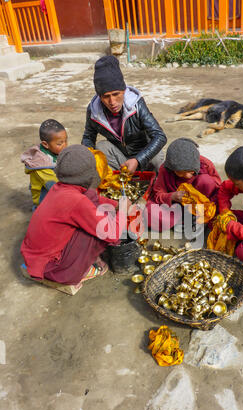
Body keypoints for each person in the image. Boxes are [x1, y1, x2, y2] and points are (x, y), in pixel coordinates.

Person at [21, 145, 131, 286]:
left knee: (93, 205)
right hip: (51, 268)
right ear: (90, 174)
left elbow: (90, 199)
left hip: (35, 257)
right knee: (98, 230)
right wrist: (122, 210)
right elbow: (112, 233)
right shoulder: (76, 201)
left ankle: (79, 259)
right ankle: (79, 270)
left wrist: (114, 204)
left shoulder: (59, 187)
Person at [81, 55, 167, 174]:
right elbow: (88, 137)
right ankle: (119, 181)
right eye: (106, 96)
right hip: (120, 160)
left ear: (124, 91)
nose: (112, 102)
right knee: (102, 147)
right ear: (99, 96)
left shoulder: (136, 104)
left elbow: (160, 136)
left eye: (116, 94)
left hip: (144, 156)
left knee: (158, 157)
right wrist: (86, 157)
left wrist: (138, 159)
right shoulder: (93, 110)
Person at [146, 138, 221, 231]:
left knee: (206, 181)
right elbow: (158, 194)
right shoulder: (165, 169)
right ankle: (183, 221)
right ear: (172, 169)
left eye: (191, 171)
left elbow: (219, 190)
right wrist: (172, 196)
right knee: (150, 212)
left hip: (200, 206)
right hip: (175, 207)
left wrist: (208, 208)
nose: (187, 176)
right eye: (180, 172)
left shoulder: (205, 164)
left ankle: (195, 218)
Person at [21, 119, 68, 209]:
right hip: (43, 200)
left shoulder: (54, 151)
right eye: (60, 143)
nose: (65, 145)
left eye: (66, 141)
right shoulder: (41, 165)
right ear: (45, 144)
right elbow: (55, 186)